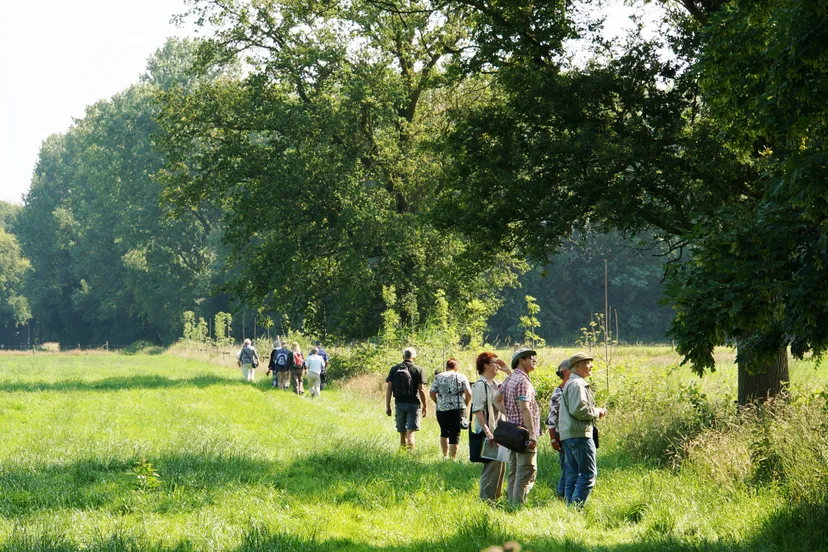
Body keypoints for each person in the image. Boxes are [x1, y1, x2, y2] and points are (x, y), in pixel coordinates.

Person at [559, 352, 607, 507]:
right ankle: (575, 509)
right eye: (587, 362)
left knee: (572, 474)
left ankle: (569, 509)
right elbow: (579, 410)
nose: (591, 366)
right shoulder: (577, 384)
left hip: (569, 434)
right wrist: (597, 411)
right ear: (576, 366)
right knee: (588, 474)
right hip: (579, 434)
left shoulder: (572, 383)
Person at [494, 347, 541, 505]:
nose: (534, 360)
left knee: (514, 471)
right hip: (523, 435)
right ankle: (517, 506)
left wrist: (508, 412)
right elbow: (525, 408)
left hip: (512, 433)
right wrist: (533, 435)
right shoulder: (522, 381)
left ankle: (511, 504)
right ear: (521, 360)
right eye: (531, 357)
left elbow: (496, 399)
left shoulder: (511, 378)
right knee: (526, 471)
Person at [471, 351, 512, 501]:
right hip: (488, 433)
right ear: (486, 365)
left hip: (499, 432)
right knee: (490, 467)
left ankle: (495, 498)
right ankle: (486, 500)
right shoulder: (480, 385)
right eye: (495, 362)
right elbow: (478, 410)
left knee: (500, 466)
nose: (498, 366)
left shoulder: (496, 384)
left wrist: (507, 371)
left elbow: (513, 384)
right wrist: (488, 432)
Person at [385, 347, 427, 451]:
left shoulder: (394, 369)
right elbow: (421, 389)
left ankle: (403, 456)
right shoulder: (418, 369)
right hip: (413, 404)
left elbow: (389, 388)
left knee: (402, 433)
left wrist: (388, 406)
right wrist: (425, 405)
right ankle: (410, 458)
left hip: (399, 404)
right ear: (414, 357)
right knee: (411, 433)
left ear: (403, 356)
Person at [429, 358, 472, 460]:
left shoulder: (438, 376)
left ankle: (444, 455)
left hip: (442, 408)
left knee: (444, 431)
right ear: (456, 367)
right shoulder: (461, 376)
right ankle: (452, 458)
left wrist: (438, 402)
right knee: (455, 433)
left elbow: (432, 392)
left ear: (446, 367)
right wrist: (465, 403)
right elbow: (468, 393)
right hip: (457, 408)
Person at [546, 358, 572, 499]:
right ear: (565, 372)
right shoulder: (559, 392)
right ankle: (562, 496)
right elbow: (552, 418)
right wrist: (552, 439)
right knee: (567, 468)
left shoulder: (574, 389)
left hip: (572, 435)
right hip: (561, 437)